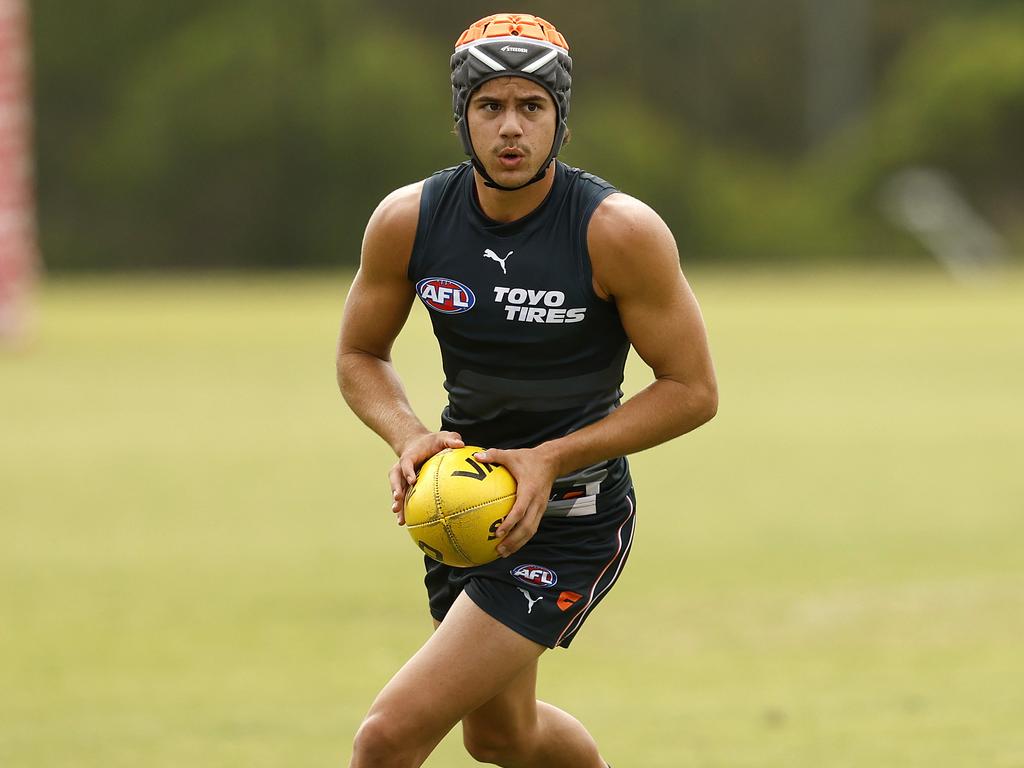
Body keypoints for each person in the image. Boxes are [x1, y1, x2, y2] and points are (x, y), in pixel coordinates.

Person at [337, 12, 717, 767]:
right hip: (465, 512)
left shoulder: (617, 232)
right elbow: (358, 353)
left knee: (387, 737)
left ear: (562, 122)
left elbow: (692, 389)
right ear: (462, 118)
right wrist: (408, 433)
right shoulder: (408, 222)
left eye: (532, 107)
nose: (511, 128)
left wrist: (550, 459)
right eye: (490, 106)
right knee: (502, 737)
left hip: (572, 521)